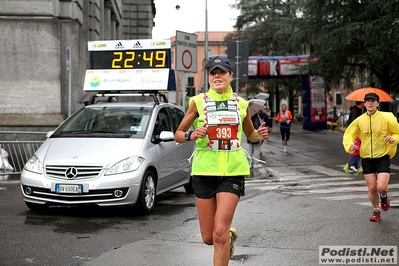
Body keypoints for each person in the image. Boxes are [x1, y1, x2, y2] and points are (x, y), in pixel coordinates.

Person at [174, 56, 269, 265]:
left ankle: (225, 237)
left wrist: (258, 135)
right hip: (203, 171)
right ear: (208, 77)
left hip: (232, 171)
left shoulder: (241, 104)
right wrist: (191, 135)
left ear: (230, 76)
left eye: (222, 73)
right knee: (209, 237)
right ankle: (231, 236)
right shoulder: (197, 102)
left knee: (219, 234)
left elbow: (250, 135)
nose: (217, 77)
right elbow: (178, 134)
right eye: (213, 73)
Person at [342, 92, 399, 222]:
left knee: (381, 187)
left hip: (382, 156)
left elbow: (397, 132)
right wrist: (350, 145)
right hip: (367, 157)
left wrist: (393, 139)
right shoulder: (359, 121)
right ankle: (376, 210)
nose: (370, 103)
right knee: (372, 187)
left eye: (373, 100)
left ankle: (383, 196)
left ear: (377, 103)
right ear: (365, 103)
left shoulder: (387, 118)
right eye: (368, 100)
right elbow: (348, 135)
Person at [343, 101, 364, 173]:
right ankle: (349, 165)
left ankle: (357, 166)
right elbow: (354, 123)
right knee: (355, 150)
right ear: (361, 103)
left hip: (357, 133)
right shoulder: (356, 112)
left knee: (358, 151)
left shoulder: (357, 110)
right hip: (355, 133)